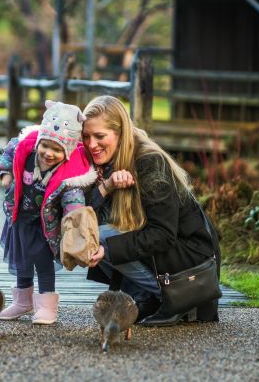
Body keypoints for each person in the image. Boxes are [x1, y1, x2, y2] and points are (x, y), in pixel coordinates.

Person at [81, 95, 220, 326]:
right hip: (166, 259)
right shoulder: (103, 166)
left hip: (192, 267)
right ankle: (148, 297)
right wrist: (106, 187)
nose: (91, 144)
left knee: (100, 236)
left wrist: (108, 250)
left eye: (99, 136)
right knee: (89, 232)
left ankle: (177, 300)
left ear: (121, 133)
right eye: (86, 136)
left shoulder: (150, 163)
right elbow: (81, 214)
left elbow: (162, 234)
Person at [0, 100, 97, 324]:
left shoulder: (68, 175)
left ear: (68, 151)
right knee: (21, 260)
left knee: (43, 264)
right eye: (45, 146)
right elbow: (8, 155)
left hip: (45, 225)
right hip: (19, 219)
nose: (49, 153)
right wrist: (6, 174)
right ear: (39, 142)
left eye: (57, 150)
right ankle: (22, 301)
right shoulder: (26, 151)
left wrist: (75, 215)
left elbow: (73, 196)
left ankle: (47, 307)